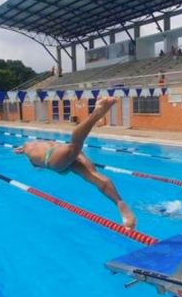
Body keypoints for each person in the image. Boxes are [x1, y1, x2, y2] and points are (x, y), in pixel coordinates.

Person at [13, 97, 136, 230]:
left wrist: (28, 155)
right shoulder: (35, 144)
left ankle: (96, 114)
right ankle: (119, 202)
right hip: (60, 154)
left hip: (56, 159)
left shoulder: (29, 149)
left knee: (82, 157)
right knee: (90, 169)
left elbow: (36, 166)